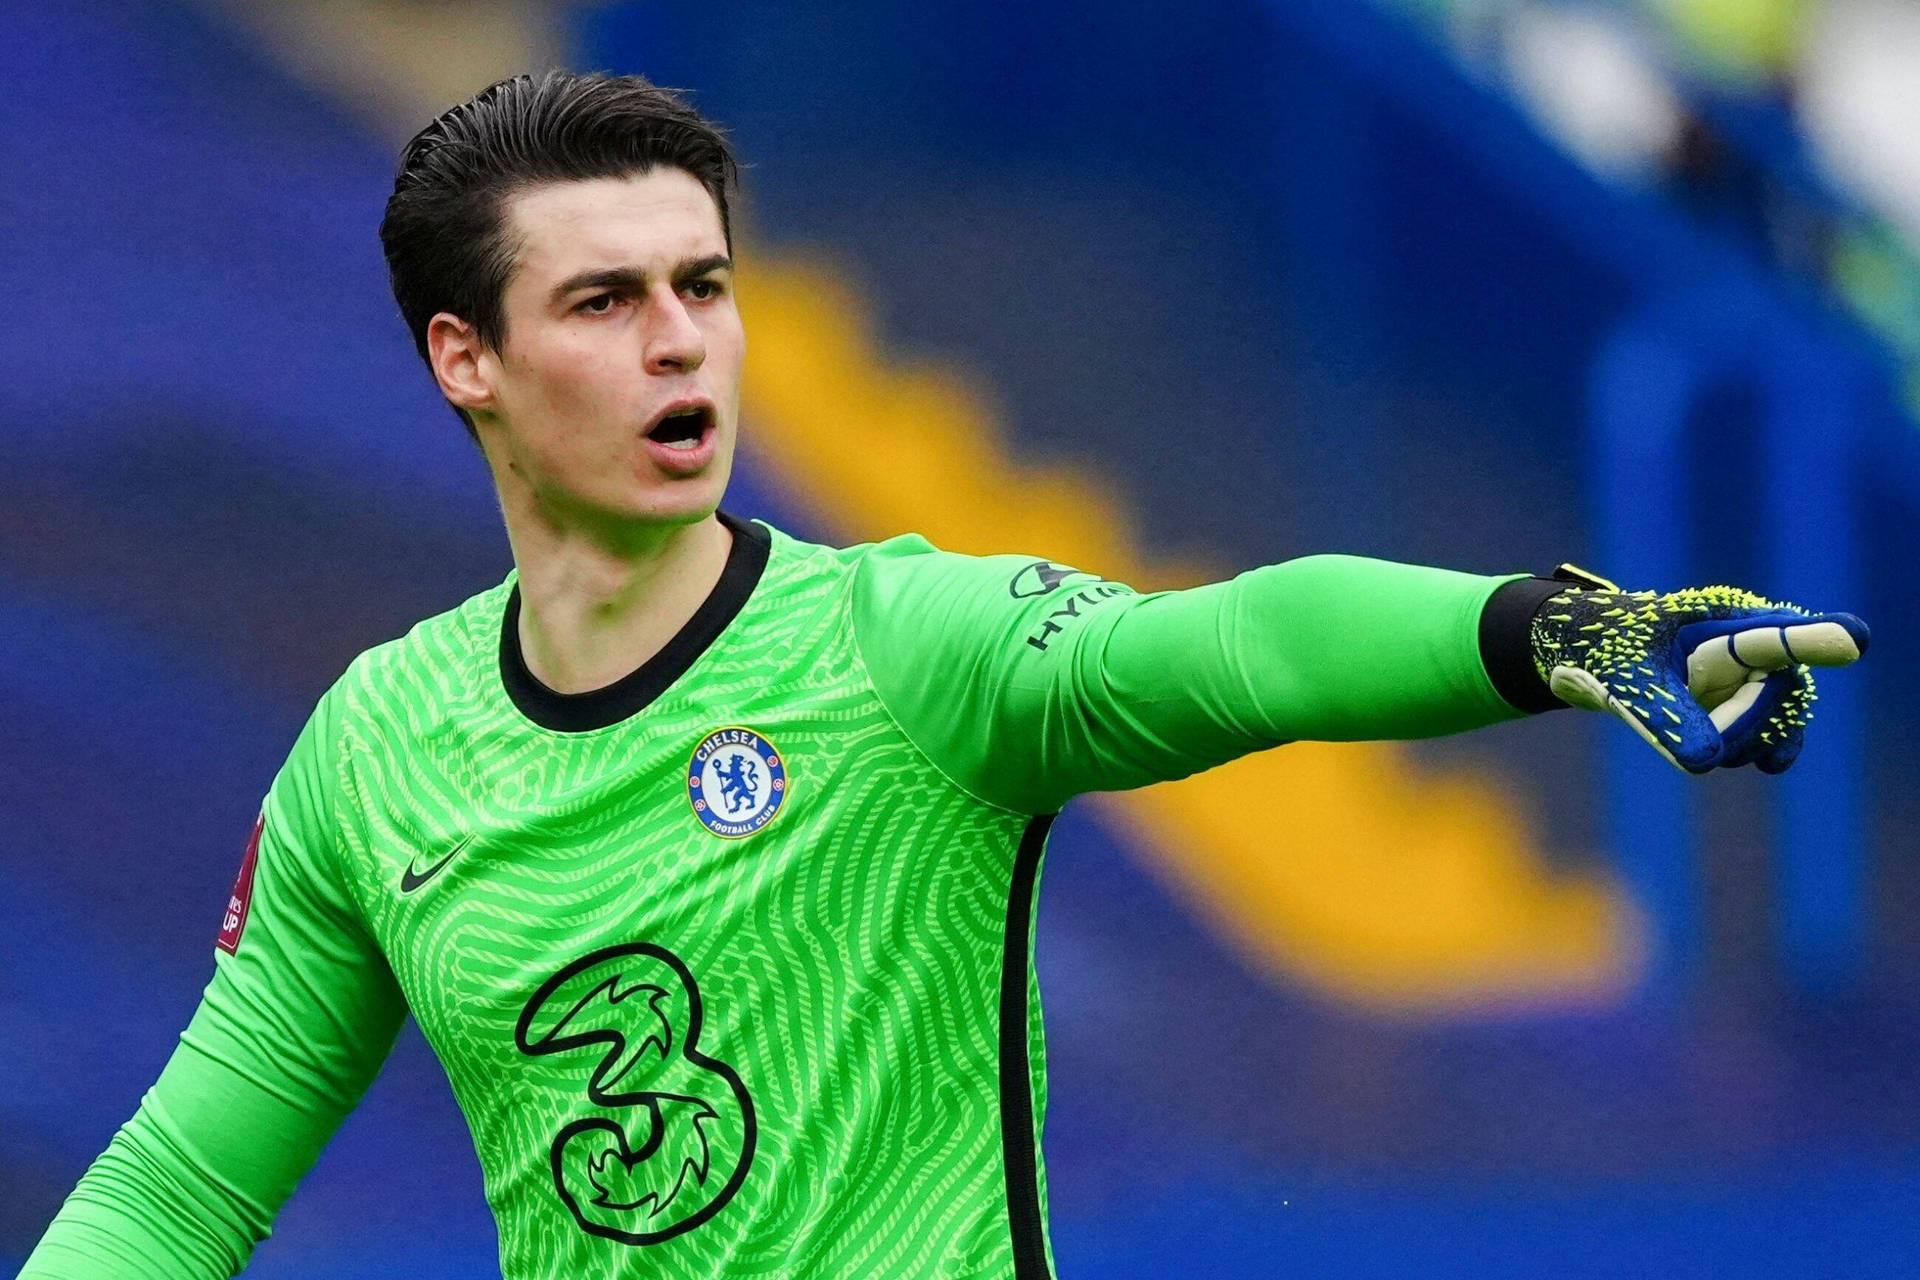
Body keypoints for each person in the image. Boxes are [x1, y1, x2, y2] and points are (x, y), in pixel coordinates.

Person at [20, 71, 1868, 1280]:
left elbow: (1233, 645)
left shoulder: (896, 650)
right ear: (464, 359)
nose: (684, 346)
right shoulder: (377, 750)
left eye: (707, 284)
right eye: (605, 302)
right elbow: (184, 1187)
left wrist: (1553, 628)